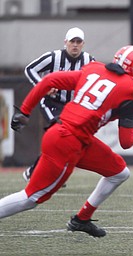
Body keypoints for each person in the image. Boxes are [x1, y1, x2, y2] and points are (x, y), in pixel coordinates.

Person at [3, 45, 133, 238]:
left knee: (119, 172)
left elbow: (49, 80)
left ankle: (81, 219)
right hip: (68, 142)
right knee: (31, 198)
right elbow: (126, 141)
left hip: (73, 136)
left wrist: (24, 110)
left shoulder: (94, 69)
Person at [23, 27, 95, 182]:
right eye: (72, 41)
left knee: (66, 140)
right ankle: (38, 172)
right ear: (65, 43)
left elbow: (96, 79)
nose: (75, 45)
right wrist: (43, 85)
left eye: (78, 42)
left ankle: (38, 171)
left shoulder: (89, 61)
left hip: (72, 107)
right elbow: (30, 69)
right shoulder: (53, 57)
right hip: (51, 102)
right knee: (60, 132)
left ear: (83, 44)